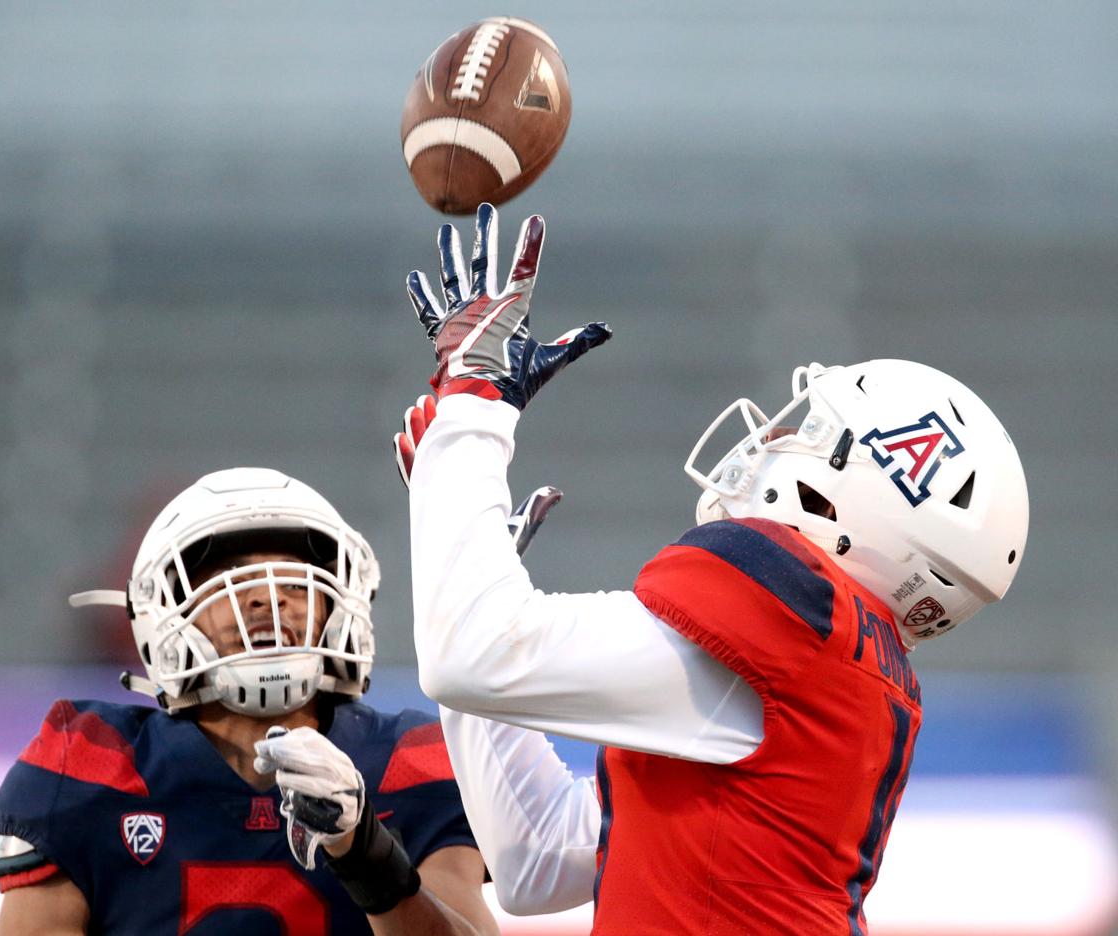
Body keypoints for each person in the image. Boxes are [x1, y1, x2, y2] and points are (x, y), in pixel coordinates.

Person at [397, 203, 1030, 933]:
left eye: (810, 429)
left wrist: (476, 401)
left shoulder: (800, 620)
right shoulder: (831, 673)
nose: (774, 435)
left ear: (868, 492)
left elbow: (473, 655)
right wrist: (457, 546)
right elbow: (536, 858)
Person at [0, 467, 499, 936]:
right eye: (229, 575)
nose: (266, 596)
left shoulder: (412, 760)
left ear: (337, 607)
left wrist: (366, 852)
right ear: (162, 613)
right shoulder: (87, 762)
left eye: (294, 578)